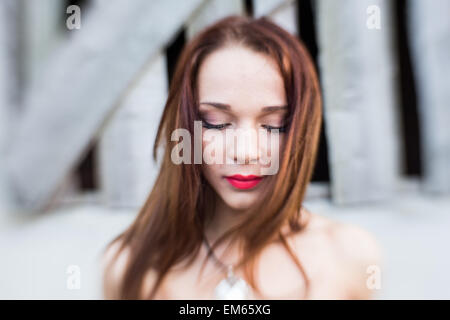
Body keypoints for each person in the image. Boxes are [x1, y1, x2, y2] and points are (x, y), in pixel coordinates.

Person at [101, 15, 383, 300]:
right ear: (185, 125)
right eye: (216, 122)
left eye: (275, 125)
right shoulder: (128, 267)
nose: (245, 153)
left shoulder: (349, 257)